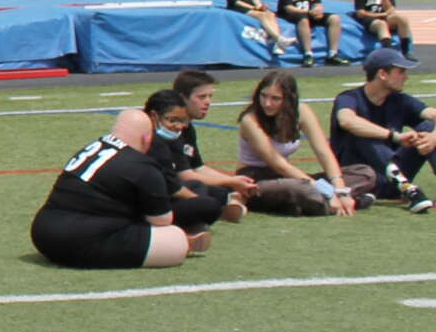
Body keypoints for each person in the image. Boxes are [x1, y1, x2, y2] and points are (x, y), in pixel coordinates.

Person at [30, 109, 201, 268]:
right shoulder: (142, 166)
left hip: (42, 233)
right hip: (79, 241)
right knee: (175, 239)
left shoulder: (92, 148)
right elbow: (161, 220)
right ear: (147, 138)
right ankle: (188, 243)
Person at [328, 47, 436, 214]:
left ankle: (405, 186)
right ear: (383, 74)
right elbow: (347, 121)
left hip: (391, 177)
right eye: (400, 71)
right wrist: (394, 136)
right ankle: (408, 189)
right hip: (361, 178)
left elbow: (432, 115)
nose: (406, 77)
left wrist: (433, 138)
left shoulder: (400, 100)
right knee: (362, 133)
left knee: (428, 129)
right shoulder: (348, 98)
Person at [233, 69, 355, 215]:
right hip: (256, 178)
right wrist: (326, 191)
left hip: (288, 177)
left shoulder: (301, 111)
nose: (267, 103)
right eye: (263, 96)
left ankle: (311, 204)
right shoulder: (250, 120)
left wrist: (340, 188)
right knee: (298, 188)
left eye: (275, 98)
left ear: (289, 99)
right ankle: (338, 203)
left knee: (363, 173)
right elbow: (278, 163)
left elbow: (323, 150)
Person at [144, 86, 243, 231]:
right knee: (209, 205)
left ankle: (197, 221)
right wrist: (199, 200)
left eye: (210, 96)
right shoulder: (152, 142)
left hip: (162, 192)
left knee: (200, 187)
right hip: (147, 204)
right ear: (154, 116)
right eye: (172, 120)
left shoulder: (173, 135)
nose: (179, 126)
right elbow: (178, 183)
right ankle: (190, 227)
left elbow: (195, 169)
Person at [275, 0, 344, 67]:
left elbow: (317, 2)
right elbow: (288, 7)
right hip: (290, 14)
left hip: (309, 13)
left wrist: (318, 10)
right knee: (303, 19)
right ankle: (308, 54)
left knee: (334, 18)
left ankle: (333, 54)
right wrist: (307, 12)